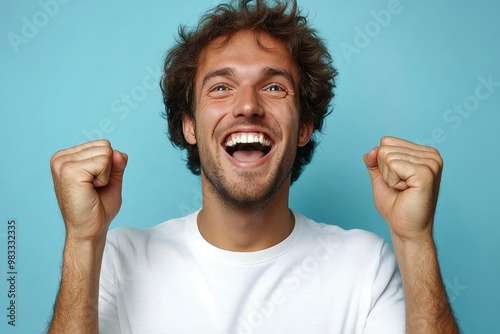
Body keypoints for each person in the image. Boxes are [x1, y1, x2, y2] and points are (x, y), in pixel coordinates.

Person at [48, 0, 459, 333]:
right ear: (189, 125)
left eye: (274, 87)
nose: (248, 105)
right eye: (221, 87)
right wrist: (83, 242)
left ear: (304, 128)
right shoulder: (119, 258)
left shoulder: (365, 266)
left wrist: (415, 240)